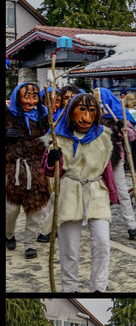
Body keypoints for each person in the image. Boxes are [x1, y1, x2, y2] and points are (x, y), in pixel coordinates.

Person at [40, 93, 118, 293]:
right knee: (69, 247)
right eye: (81, 109)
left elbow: (106, 168)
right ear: (71, 112)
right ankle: (69, 287)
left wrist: (112, 194)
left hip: (96, 191)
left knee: (102, 242)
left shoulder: (103, 136)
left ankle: (99, 287)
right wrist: (52, 158)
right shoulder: (59, 137)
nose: (86, 117)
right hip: (70, 191)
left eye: (92, 110)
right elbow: (49, 171)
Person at [6, 81, 53, 260]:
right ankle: (8, 234)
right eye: (27, 97)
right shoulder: (8, 116)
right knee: (10, 210)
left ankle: (30, 244)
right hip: (13, 169)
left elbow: (53, 139)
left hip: (36, 169)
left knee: (35, 211)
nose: (31, 102)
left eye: (34, 97)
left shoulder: (43, 116)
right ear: (18, 97)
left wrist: (52, 151)